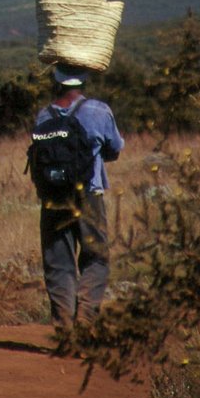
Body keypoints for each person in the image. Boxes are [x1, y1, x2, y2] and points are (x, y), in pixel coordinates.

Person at [34, 62, 124, 332]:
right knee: (95, 257)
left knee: (58, 262)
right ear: (84, 80)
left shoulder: (43, 115)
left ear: (57, 80)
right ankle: (86, 319)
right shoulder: (98, 110)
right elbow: (115, 149)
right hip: (88, 195)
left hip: (52, 198)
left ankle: (63, 327)